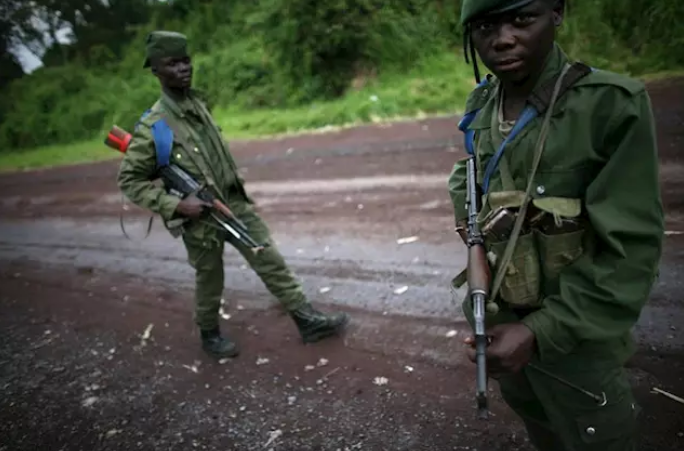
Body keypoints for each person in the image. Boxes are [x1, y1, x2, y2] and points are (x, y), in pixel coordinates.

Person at [448, 1, 663, 450]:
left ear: (557, 12)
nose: (503, 38)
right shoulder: (483, 104)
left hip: (575, 340)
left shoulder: (609, 105)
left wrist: (540, 332)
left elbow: (630, 252)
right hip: (506, 333)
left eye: (522, 19)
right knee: (544, 431)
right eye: (485, 26)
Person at [117, 30, 349, 359]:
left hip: (232, 202)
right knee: (210, 279)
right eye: (172, 64)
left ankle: (306, 320)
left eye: (186, 60)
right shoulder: (156, 126)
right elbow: (129, 179)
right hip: (199, 218)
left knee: (269, 259)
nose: (184, 68)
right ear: (156, 70)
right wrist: (177, 205)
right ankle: (209, 335)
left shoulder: (197, 102)